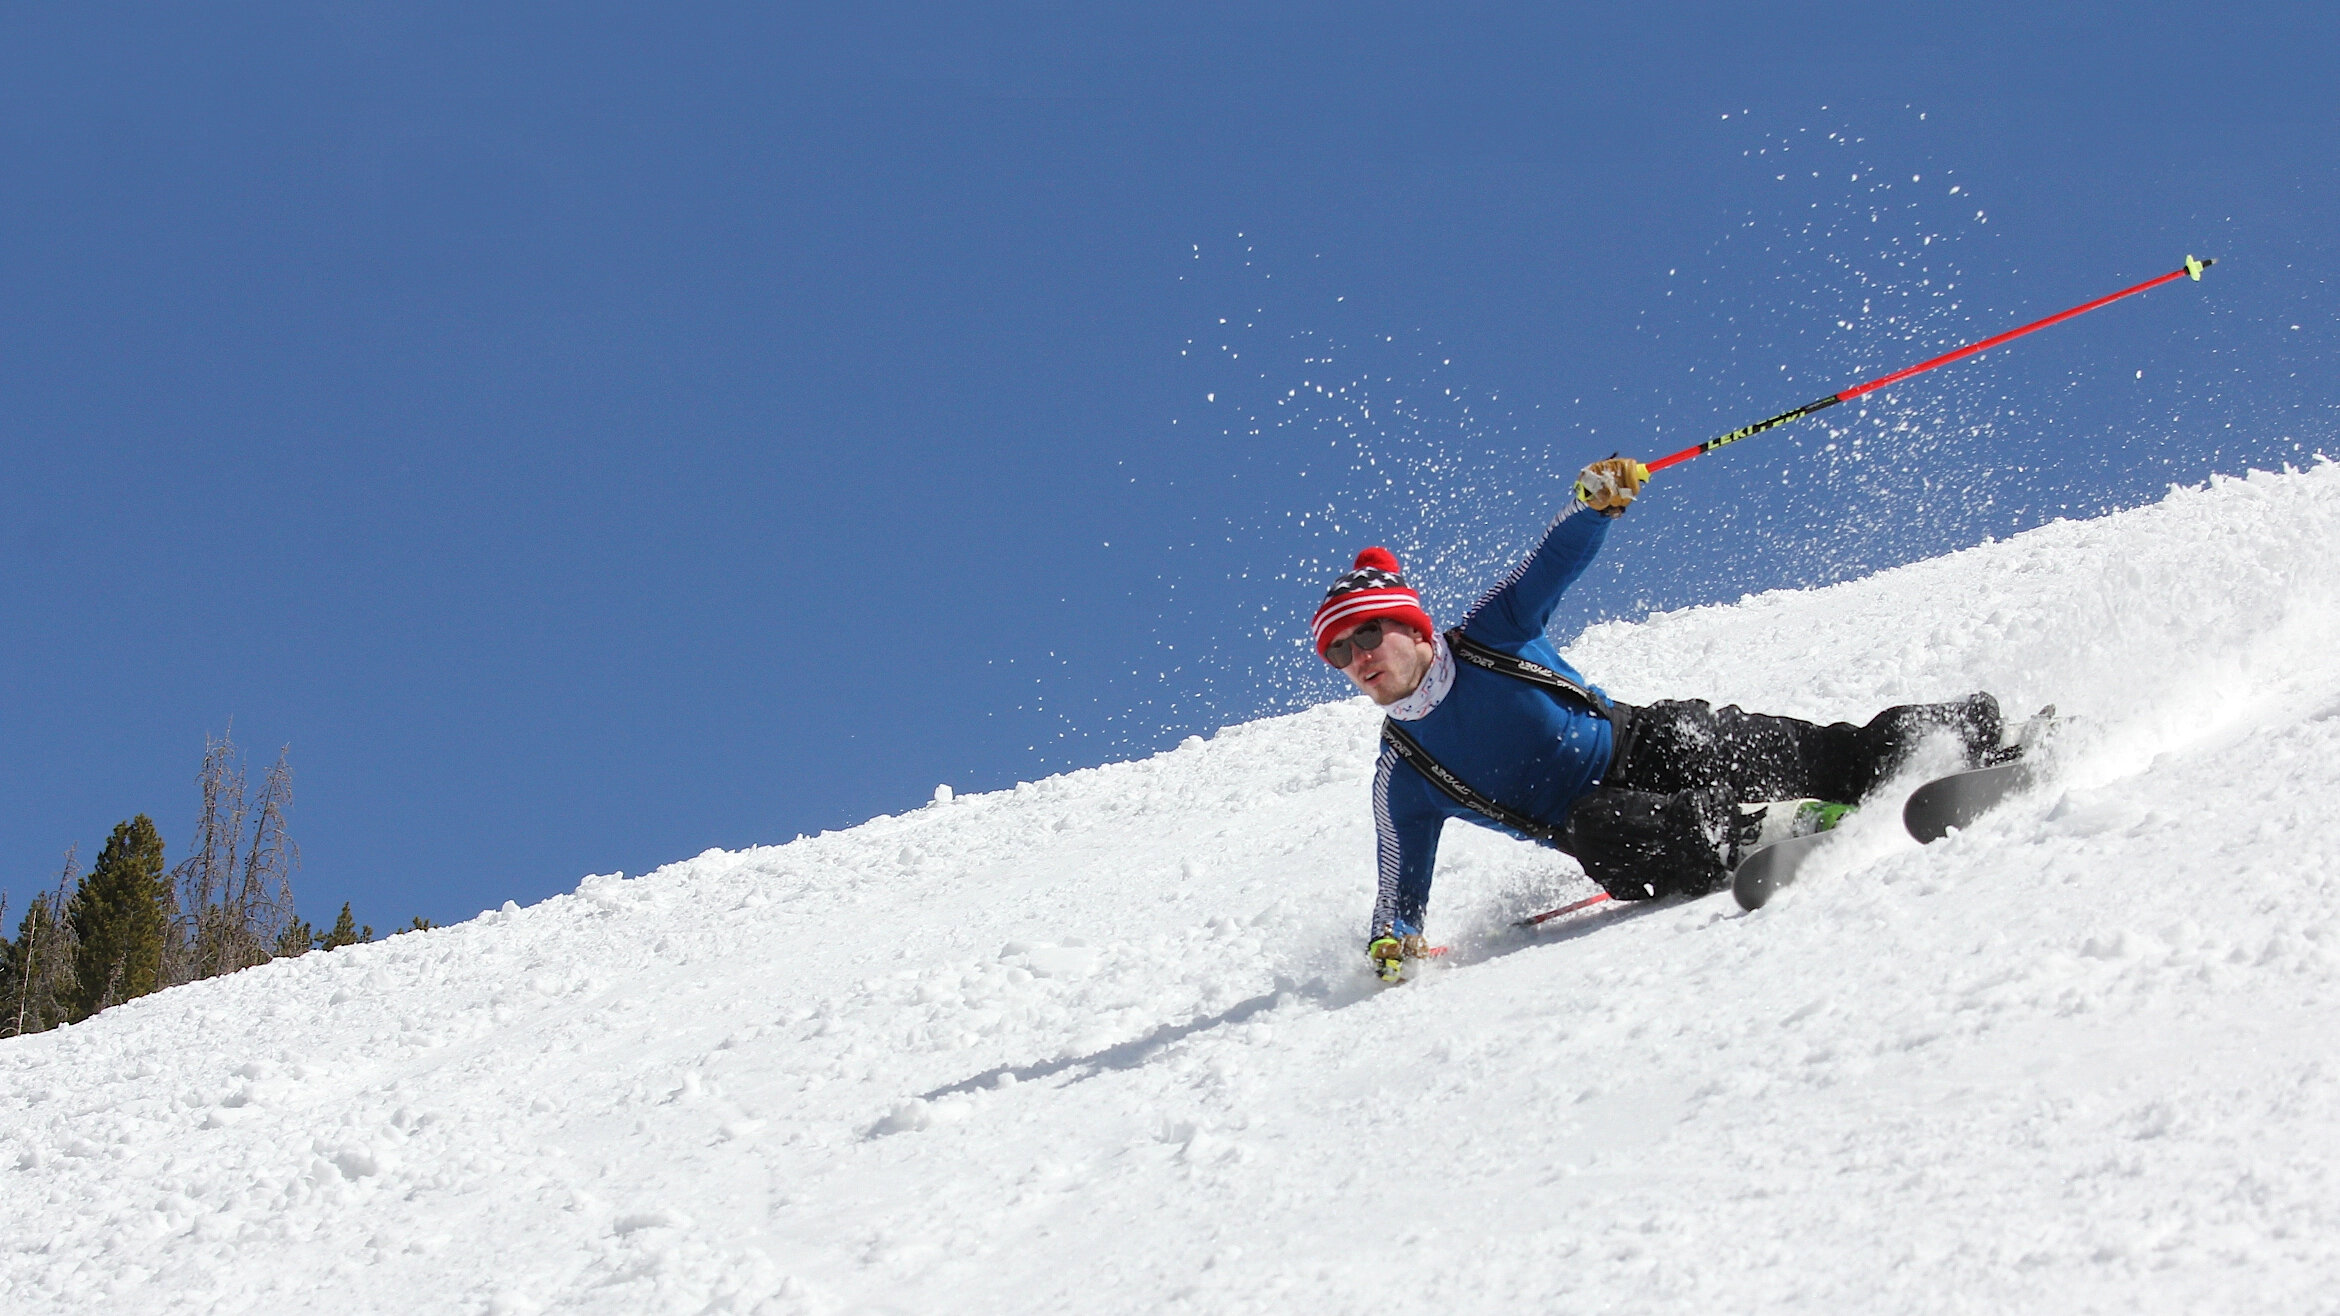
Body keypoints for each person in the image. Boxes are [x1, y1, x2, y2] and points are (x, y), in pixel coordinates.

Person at [1313, 457, 2022, 982]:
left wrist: (1595, 503)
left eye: (1367, 634)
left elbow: (1551, 560)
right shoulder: (1403, 771)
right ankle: (1770, 831)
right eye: (1338, 652)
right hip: (1611, 822)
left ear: (1412, 626)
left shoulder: (1489, 637)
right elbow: (1398, 894)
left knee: (1769, 748)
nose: (1357, 657)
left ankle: (1981, 736)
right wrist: (1391, 943)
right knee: (1600, 827)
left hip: (1645, 739)